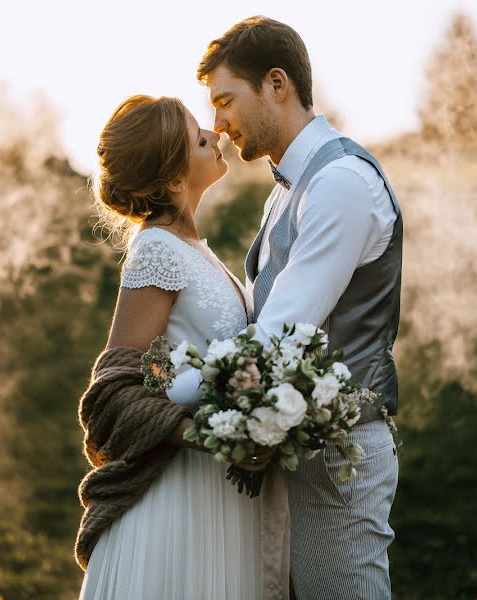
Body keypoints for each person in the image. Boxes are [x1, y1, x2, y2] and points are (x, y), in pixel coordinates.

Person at [169, 16, 403, 599]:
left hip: (339, 461)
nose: (217, 124)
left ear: (277, 84)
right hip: (300, 450)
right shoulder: (291, 188)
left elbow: (279, 332)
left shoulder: (340, 184)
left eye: (225, 101)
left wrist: (155, 403)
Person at [77, 94, 276, 600]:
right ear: (171, 179)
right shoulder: (156, 249)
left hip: (223, 491)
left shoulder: (194, 248)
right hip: (181, 495)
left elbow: (171, 370)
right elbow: (115, 390)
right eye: (197, 137)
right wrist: (209, 434)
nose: (216, 135)